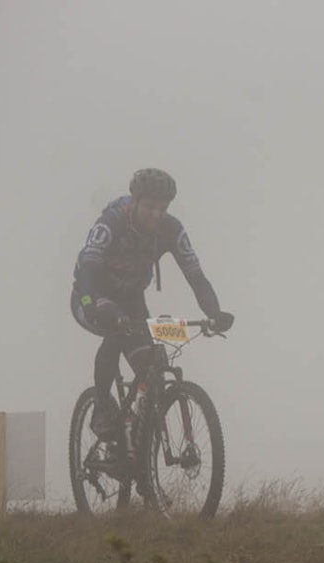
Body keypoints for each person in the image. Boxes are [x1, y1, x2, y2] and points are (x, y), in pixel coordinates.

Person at [70, 168, 234, 438]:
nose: (157, 214)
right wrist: (89, 304)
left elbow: (196, 277)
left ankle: (139, 444)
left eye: (163, 207)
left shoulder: (171, 230)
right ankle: (101, 408)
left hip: (132, 299)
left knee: (150, 367)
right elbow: (87, 269)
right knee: (115, 331)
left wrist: (214, 313)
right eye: (150, 206)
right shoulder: (112, 222)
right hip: (92, 294)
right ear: (133, 201)